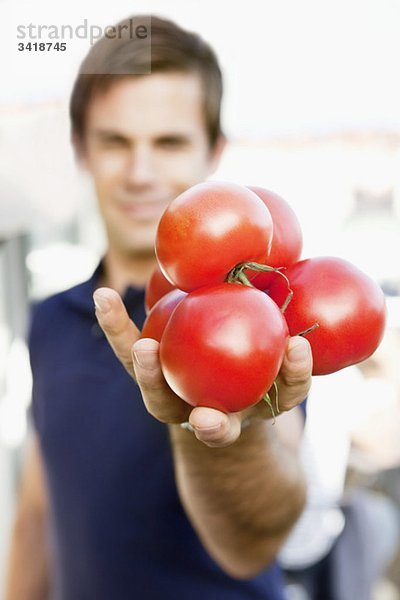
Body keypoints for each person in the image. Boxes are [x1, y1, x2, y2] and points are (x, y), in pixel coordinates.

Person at [5, 15, 313, 600]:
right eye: (115, 142)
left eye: (169, 142)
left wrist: (231, 429)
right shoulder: (50, 321)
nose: (141, 174)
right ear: (81, 151)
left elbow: (253, 545)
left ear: (214, 152)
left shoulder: (269, 314)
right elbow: (40, 516)